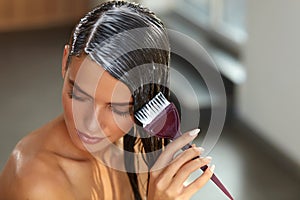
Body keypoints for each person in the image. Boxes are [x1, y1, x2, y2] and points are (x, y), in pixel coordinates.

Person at [0, 1, 214, 199]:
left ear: (146, 99)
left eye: (118, 109)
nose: (90, 125)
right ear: (65, 62)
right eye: (78, 96)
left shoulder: (140, 146)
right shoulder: (37, 182)